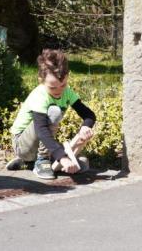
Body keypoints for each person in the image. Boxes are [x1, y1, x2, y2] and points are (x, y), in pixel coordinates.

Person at [6, 49, 97, 179]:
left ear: (67, 77)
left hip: (43, 141)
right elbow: (42, 130)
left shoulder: (67, 92)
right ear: (41, 80)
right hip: (22, 144)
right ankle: (41, 160)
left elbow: (89, 115)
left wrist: (86, 126)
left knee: (82, 162)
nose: (58, 91)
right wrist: (63, 158)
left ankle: (28, 162)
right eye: (52, 87)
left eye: (63, 85)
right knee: (54, 111)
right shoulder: (40, 95)